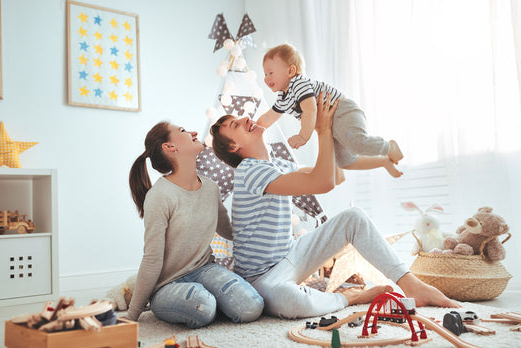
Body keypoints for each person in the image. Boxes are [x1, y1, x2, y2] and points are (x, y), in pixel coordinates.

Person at [210, 94, 460, 319]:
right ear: (234, 147)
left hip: (290, 255)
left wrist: (382, 161)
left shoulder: (278, 165)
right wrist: (323, 129)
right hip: (262, 278)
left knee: (353, 217)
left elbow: (336, 173)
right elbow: (324, 182)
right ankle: (348, 297)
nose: (245, 118)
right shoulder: (248, 171)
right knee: (294, 303)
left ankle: (411, 285)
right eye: (235, 124)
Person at [127, 122, 263, 328]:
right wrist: (132, 315)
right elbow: (152, 259)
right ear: (170, 147)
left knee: (251, 306)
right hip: (168, 284)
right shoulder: (160, 196)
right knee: (203, 306)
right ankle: (191, 302)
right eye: (182, 131)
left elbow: (228, 230)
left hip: (205, 269)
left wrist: (261, 216)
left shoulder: (210, 188)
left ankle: (213, 299)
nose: (193, 132)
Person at [257, 43, 403, 178]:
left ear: (291, 71)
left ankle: (389, 147)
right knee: (345, 162)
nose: (266, 78)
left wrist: (303, 136)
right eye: (264, 74)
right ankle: (384, 162)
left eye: (270, 73)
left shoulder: (298, 83)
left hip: (342, 111)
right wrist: (255, 127)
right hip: (332, 123)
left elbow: (310, 109)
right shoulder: (283, 97)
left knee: (357, 144)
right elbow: (268, 118)